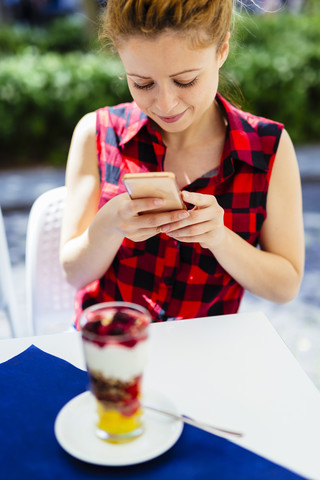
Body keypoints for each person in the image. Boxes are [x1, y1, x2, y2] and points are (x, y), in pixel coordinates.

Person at [60, 0, 304, 328]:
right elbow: (73, 273)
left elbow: (285, 285)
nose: (165, 103)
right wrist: (110, 225)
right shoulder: (97, 133)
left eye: (186, 81)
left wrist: (220, 238)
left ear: (222, 51)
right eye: (142, 83)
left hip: (205, 356)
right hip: (113, 348)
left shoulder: (267, 148)